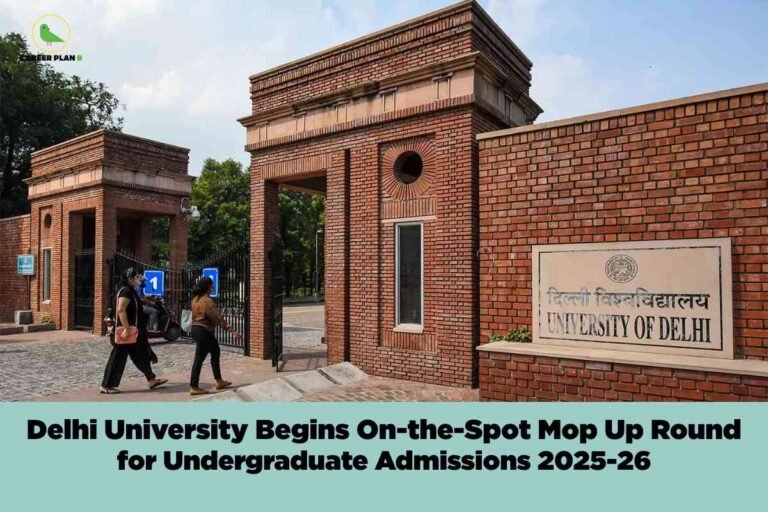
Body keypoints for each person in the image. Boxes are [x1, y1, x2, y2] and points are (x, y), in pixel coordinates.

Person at [100, 267, 168, 394]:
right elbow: (121, 309)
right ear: (130, 279)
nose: (138, 279)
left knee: (141, 354)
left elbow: (134, 303)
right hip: (126, 332)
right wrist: (126, 328)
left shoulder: (130, 290)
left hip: (134, 332)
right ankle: (106, 385)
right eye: (136, 277)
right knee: (117, 359)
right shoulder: (125, 291)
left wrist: (145, 301)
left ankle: (151, 379)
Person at [189, 276, 241, 395]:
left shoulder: (195, 299)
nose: (213, 287)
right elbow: (218, 318)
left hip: (196, 329)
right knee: (199, 359)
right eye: (211, 285)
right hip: (204, 332)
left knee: (215, 352)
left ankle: (219, 380)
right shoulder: (207, 301)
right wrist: (232, 331)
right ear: (207, 287)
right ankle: (194, 386)